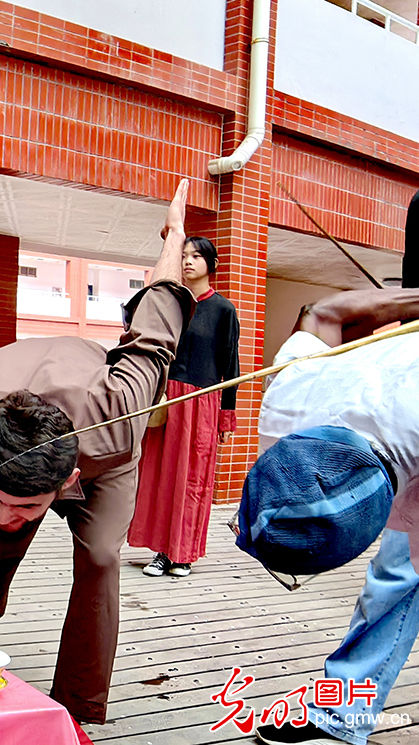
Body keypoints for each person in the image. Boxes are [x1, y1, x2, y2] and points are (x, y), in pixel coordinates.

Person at [0, 179, 195, 724]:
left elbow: (154, 329)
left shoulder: (116, 420)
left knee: (101, 556)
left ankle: (75, 707)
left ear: (68, 478)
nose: (9, 511)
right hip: (15, 379)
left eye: (28, 505)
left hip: (93, 421)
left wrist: (173, 239)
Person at [249, 283, 419, 745]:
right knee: (396, 578)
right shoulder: (289, 397)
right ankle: (346, 712)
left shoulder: (291, 395)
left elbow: (324, 312)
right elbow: (322, 313)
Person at [128, 236, 240, 578]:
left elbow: (230, 365)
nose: (188, 261)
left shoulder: (223, 309)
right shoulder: (169, 304)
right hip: (166, 402)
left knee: (192, 479)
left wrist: (225, 416)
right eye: (183, 256)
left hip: (202, 402)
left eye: (196, 256)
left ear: (212, 264)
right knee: (162, 477)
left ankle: (183, 554)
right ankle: (161, 551)